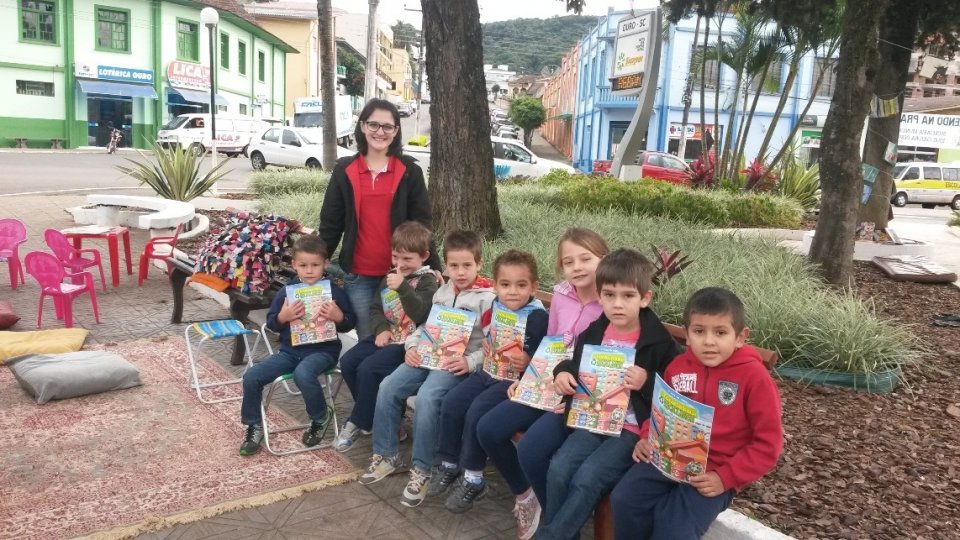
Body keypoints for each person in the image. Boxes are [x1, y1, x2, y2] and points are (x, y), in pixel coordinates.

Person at [611, 287, 784, 540]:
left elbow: (768, 445)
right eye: (699, 331)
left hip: (715, 471)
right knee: (624, 499)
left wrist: (725, 478)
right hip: (669, 458)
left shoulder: (754, 377)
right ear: (687, 336)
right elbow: (661, 411)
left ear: (740, 336)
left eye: (721, 332)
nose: (709, 341)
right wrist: (647, 436)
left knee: (674, 527)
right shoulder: (678, 367)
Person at [536, 249, 682, 540]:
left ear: (645, 298)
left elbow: (674, 399)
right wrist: (562, 373)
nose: (617, 304)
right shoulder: (594, 332)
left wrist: (647, 382)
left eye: (628, 296)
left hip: (631, 429)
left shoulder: (658, 344)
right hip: (594, 420)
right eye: (609, 295)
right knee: (558, 469)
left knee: (588, 478)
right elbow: (574, 365)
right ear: (599, 297)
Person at [476, 228, 609, 539]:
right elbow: (549, 343)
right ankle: (527, 495)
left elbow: (609, 363)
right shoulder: (562, 294)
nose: (577, 267)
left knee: (533, 449)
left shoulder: (610, 301)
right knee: (488, 428)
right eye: (568, 261)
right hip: (545, 383)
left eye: (585, 258)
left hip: (579, 397)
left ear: (604, 258)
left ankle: (558, 527)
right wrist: (527, 378)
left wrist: (573, 394)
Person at [358, 230, 495, 509]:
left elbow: (495, 344)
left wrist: (471, 362)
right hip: (428, 353)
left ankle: (422, 470)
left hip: (457, 363)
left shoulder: (488, 299)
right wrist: (411, 345)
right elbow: (424, 327)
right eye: (454, 266)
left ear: (479, 264)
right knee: (389, 386)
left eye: (467, 265)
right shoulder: (443, 292)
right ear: (445, 265)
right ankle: (386, 455)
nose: (460, 272)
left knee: (428, 398)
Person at [428, 249, 549, 512]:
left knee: (475, 412)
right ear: (495, 286)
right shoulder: (497, 305)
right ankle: (448, 463)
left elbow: (544, 360)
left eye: (521, 285)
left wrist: (528, 361)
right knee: (452, 402)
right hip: (488, 371)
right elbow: (490, 335)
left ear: (534, 287)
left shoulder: (538, 317)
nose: (513, 291)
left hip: (511, 381)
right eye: (505, 285)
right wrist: (487, 345)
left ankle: (474, 477)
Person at [319, 98, 441, 340]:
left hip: (404, 274)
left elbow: (422, 224)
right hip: (360, 276)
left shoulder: (409, 171)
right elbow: (331, 223)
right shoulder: (345, 170)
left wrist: (435, 265)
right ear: (362, 126)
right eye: (373, 125)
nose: (380, 132)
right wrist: (318, 261)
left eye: (388, 127)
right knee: (369, 339)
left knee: (401, 342)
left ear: (396, 131)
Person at [238, 235, 356, 456]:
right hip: (290, 352)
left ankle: (320, 417)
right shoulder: (287, 291)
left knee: (304, 374)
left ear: (325, 264)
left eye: (315, 265)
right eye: (303, 265)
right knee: (251, 376)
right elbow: (273, 323)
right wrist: (283, 316)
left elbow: (349, 323)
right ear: (294, 265)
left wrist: (339, 316)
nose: (309, 270)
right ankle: (254, 425)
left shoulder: (333, 292)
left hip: (323, 350)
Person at [334, 221, 440, 452]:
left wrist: (403, 288)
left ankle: (358, 421)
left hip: (410, 344)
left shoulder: (428, 281)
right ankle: (377, 416)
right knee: (349, 362)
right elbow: (375, 308)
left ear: (424, 256)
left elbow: (421, 313)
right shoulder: (390, 276)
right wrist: (381, 328)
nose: (400, 265)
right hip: (388, 336)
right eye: (395, 257)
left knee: (369, 369)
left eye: (407, 259)